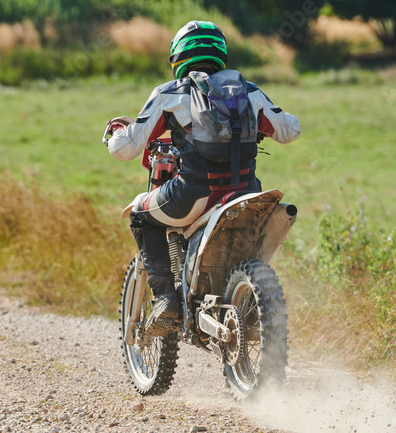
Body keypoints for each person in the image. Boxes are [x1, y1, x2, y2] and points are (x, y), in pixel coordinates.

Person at [103, 21, 301, 336]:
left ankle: (166, 299)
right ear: (221, 53)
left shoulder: (170, 93)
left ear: (177, 58)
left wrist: (115, 134)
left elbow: (127, 148)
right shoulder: (248, 91)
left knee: (141, 215)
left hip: (194, 195)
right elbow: (290, 130)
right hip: (248, 192)